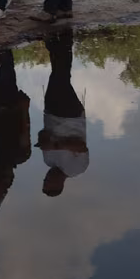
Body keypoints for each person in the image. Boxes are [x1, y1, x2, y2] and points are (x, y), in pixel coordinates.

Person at [37, 29, 88, 197]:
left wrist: (43, 140)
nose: (47, 178)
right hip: (70, 115)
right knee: (60, 75)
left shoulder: (48, 161)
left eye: (44, 181)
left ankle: (62, 38)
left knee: (59, 74)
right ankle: (55, 39)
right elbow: (80, 146)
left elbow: (43, 134)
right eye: (49, 182)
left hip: (51, 113)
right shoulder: (77, 169)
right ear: (59, 185)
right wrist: (57, 145)